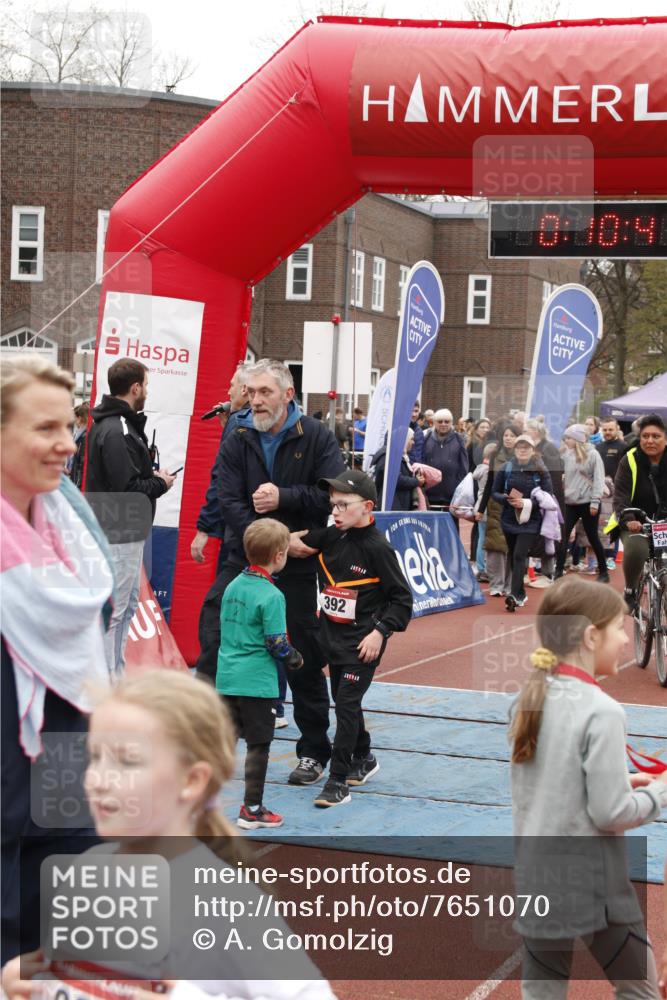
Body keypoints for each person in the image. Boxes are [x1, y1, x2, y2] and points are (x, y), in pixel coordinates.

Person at [1, 671, 337, 999]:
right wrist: (25, 983)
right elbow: (75, 977)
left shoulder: (222, 901)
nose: (99, 779)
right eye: (94, 758)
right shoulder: (86, 869)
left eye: (127, 762)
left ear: (192, 781)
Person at [1, 355, 114, 963]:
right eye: (45, 428)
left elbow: (100, 612)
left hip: (67, 736)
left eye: (69, 426)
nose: (67, 444)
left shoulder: (69, 516)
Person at [510, 576, 667, 998]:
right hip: (596, 885)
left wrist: (619, 779)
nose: (626, 639)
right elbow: (611, 813)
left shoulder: (527, 698)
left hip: (537, 875)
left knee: (541, 994)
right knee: (640, 992)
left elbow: (548, 782)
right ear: (591, 636)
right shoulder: (603, 711)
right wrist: (660, 792)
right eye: (619, 628)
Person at [203, 359, 345, 787]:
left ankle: (314, 751)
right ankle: (207, 740)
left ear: (288, 394)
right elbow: (228, 498)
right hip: (246, 558)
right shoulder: (238, 434)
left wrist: (284, 497)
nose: (255, 400)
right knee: (214, 637)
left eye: (264, 392)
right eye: (251, 392)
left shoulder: (316, 436)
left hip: (297, 562)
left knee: (301, 655)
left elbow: (331, 495)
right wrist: (268, 543)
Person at [292, 469, 413, 807]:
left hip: (363, 643)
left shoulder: (378, 548)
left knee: (345, 704)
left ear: (367, 507)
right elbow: (296, 541)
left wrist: (380, 632)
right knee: (344, 700)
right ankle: (364, 756)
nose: (336, 511)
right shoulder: (332, 536)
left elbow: (402, 601)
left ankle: (338, 781)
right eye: (333, 504)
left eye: (343, 504)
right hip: (332, 638)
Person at [86, 358, 175, 675]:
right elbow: (128, 488)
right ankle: (109, 680)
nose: (147, 391)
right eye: (146, 385)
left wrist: (152, 477)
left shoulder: (114, 426)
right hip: (119, 530)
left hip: (121, 529)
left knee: (124, 607)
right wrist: (161, 483)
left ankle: (114, 675)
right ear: (135, 387)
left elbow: (125, 480)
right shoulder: (118, 429)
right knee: (117, 610)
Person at [217, 519, 303, 830]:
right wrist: (296, 659)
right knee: (258, 746)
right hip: (256, 683)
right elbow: (277, 643)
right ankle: (252, 808)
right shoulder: (272, 595)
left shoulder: (232, 585)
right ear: (279, 556)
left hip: (227, 677)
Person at [191, 363, 250, 571]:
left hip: (237, 526)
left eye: (232, 385)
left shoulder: (239, 422)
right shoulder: (255, 421)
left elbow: (223, 476)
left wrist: (204, 528)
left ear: (244, 389)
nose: (228, 392)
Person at [606, 413, 667, 611]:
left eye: (656, 436)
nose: (650, 440)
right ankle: (631, 588)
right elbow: (620, 496)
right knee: (637, 549)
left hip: (664, 523)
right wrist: (629, 519)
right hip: (636, 521)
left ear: (665, 438)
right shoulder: (629, 460)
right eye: (645, 436)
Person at [491, 434, 553, 612]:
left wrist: (528, 503)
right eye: (519, 447)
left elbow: (548, 496)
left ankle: (514, 595)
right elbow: (494, 492)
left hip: (531, 520)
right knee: (513, 554)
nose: (522, 450)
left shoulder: (541, 469)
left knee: (519, 554)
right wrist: (507, 500)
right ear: (514, 449)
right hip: (509, 518)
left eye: (526, 447)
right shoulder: (506, 467)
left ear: (533, 450)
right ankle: (521, 592)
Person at [554, 424, 610, 584]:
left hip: (588, 503)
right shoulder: (565, 454)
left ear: (577, 439)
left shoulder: (593, 455)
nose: (565, 440)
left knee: (592, 537)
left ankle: (604, 572)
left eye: (568, 438)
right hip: (570, 502)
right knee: (563, 536)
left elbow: (599, 479)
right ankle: (558, 571)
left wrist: (595, 502)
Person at [477, 426, 517, 596]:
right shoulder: (495, 455)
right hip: (496, 505)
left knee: (512, 546)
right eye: (505, 435)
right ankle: (496, 584)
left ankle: (509, 585)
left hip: (516, 505)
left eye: (512, 435)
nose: (508, 438)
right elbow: (490, 483)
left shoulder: (523, 457)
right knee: (495, 546)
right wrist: (481, 508)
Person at [422, 408, 469, 516]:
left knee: (451, 524)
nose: (443, 424)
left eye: (446, 421)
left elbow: (464, 465)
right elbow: (422, 462)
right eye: (440, 421)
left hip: (451, 494)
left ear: (451, 423)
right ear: (434, 423)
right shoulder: (427, 438)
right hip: (431, 493)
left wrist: (457, 485)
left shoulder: (458, 439)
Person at [371, 427, 425, 511]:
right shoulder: (388, 456)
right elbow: (395, 479)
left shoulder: (398, 455)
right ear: (404, 440)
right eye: (411, 439)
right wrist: (416, 481)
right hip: (392, 507)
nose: (413, 442)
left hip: (398, 504)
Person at [68, 401, 89, 488]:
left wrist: (77, 484)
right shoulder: (79, 434)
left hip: (79, 483)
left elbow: (81, 464)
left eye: (74, 418)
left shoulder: (84, 436)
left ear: (79, 418)